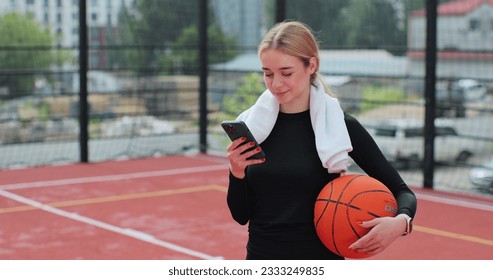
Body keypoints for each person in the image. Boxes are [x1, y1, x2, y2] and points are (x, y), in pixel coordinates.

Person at [225, 21, 417, 260]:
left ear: (311, 65)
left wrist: (401, 222)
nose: (276, 83)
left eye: (286, 73)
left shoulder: (340, 125)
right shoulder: (252, 127)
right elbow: (241, 215)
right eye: (267, 73)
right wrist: (236, 173)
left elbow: (402, 192)